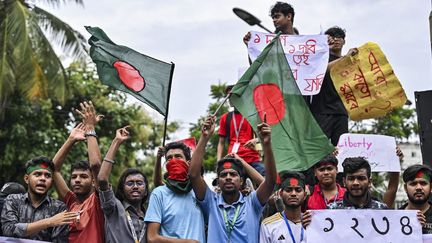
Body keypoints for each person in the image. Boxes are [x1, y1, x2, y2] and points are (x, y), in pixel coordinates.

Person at [190, 116, 277, 243]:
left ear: (241, 181)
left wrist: (267, 145)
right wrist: (204, 137)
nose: (228, 178)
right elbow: (193, 175)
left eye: (233, 174)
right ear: (218, 182)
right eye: (223, 175)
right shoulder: (211, 202)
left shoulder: (252, 202)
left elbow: (270, 181)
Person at [52, 101, 105, 243]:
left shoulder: (98, 200)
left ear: (94, 181)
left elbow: (95, 164)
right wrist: (71, 139)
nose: (77, 180)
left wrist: (90, 128)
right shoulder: (71, 201)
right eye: (74, 177)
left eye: (83, 177)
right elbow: (54, 169)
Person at [1, 157, 76, 242]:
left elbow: (59, 241)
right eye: (37, 174)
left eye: (47, 175)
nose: (43, 178)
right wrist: (49, 222)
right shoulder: (13, 200)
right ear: (26, 179)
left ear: (51, 181)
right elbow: (8, 230)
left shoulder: (59, 208)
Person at [145, 141, 205, 243]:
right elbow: (151, 238)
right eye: (169, 158)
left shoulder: (199, 192)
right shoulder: (159, 193)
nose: (173, 161)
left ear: (188, 162)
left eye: (178, 157)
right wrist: (188, 242)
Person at [98, 126, 149, 243]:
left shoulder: (151, 216)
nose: (135, 186)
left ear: (146, 190)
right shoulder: (113, 208)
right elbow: (102, 179)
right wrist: (116, 142)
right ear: (122, 189)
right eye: (130, 183)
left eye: (139, 183)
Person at [309, 26, 350, 146]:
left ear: (344, 41)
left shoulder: (350, 62)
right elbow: (319, 71)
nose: (336, 39)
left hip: (341, 112)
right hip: (321, 110)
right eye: (332, 37)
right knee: (318, 148)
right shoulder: (319, 58)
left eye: (339, 37)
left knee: (341, 149)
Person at [217, 85, 264, 175]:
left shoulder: (252, 115)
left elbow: (264, 135)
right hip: (233, 158)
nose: (230, 99)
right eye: (228, 97)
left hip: (252, 158)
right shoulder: (225, 118)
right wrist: (219, 161)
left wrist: (256, 140)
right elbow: (221, 142)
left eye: (232, 96)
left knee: (265, 178)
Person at [260, 172, 311, 243]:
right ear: (280, 194)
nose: (293, 194)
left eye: (298, 190)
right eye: (288, 190)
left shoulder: (311, 223)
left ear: (305, 195)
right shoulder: (268, 225)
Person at [400, 164, 432, 234]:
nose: (418, 187)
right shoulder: (395, 218)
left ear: (431, 187)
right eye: (413, 184)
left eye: (423, 183)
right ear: (405, 188)